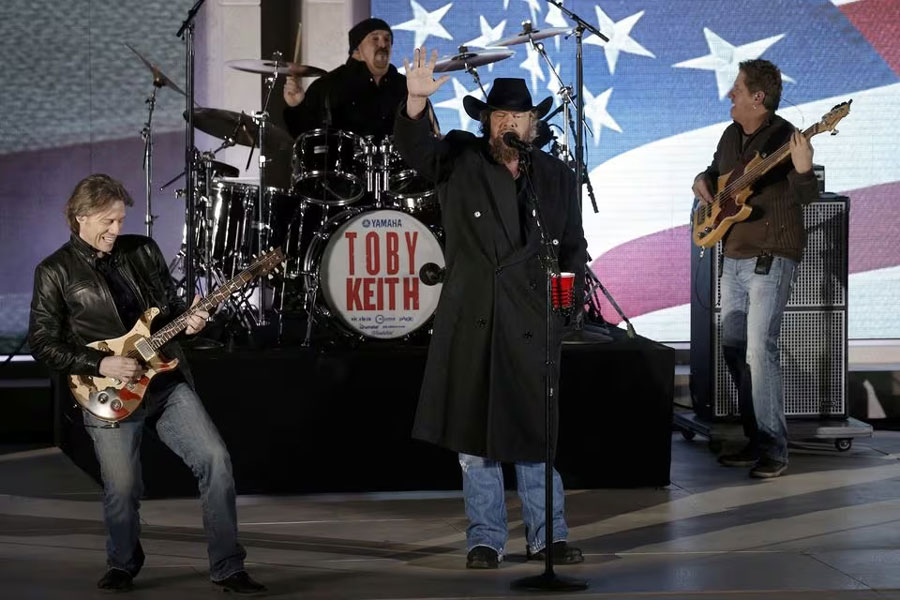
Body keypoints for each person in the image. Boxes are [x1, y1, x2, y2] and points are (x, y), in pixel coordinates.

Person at [394, 47, 588, 569]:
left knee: (535, 436)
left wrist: (564, 309)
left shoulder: (554, 175)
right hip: (474, 313)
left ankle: (550, 537)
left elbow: (572, 248)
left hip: (532, 320)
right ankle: (485, 538)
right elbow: (416, 151)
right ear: (485, 122)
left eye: (517, 116)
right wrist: (414, 101)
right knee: (474, 438)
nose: (507, 122)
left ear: (532, 123)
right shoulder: (459, 158)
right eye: (498, 115)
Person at [27, 174, 266, 594]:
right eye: (108, 221)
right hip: (107, 392)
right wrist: (102, 362)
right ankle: (122, 563)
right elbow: (43, 342)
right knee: (122, 488)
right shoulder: (54, 271)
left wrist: (190, 323)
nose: (116, 230)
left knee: (215, 460)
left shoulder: (142, 250)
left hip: (164, 382)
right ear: (80, 217)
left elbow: (169, 309)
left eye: (121, 220)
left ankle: (229, 566)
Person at [692, 59, 817, 479]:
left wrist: (802, 170)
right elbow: (714, 175)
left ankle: (774, 449)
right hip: (735, 255)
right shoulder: (731, 135)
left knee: (759, 351)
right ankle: (754, 438)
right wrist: (702, 183)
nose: (731, 94)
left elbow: (808, 199)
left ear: (758, 98)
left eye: (738, 89)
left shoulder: (786, 137)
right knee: (733, 348)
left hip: (771, 254)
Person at [283, 17, 407, 140]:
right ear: (356, 50)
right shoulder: (329, 85)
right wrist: (297, 106)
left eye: (387, 39)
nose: (383, 44)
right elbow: (305, 138)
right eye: (375, 38)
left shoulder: (404, 86)